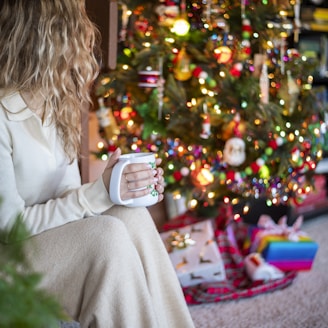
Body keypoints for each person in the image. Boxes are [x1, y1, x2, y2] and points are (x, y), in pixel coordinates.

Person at [0, 1, 195, 327]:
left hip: (42, 245)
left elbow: (68, 197)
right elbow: (10, 228)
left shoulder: (53, 106)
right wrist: (96, 195)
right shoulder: (3, 114)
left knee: (129, 216)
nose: (85, 49)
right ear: (47, 42)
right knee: (105, 238)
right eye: (77, 36)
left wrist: (116, 186)